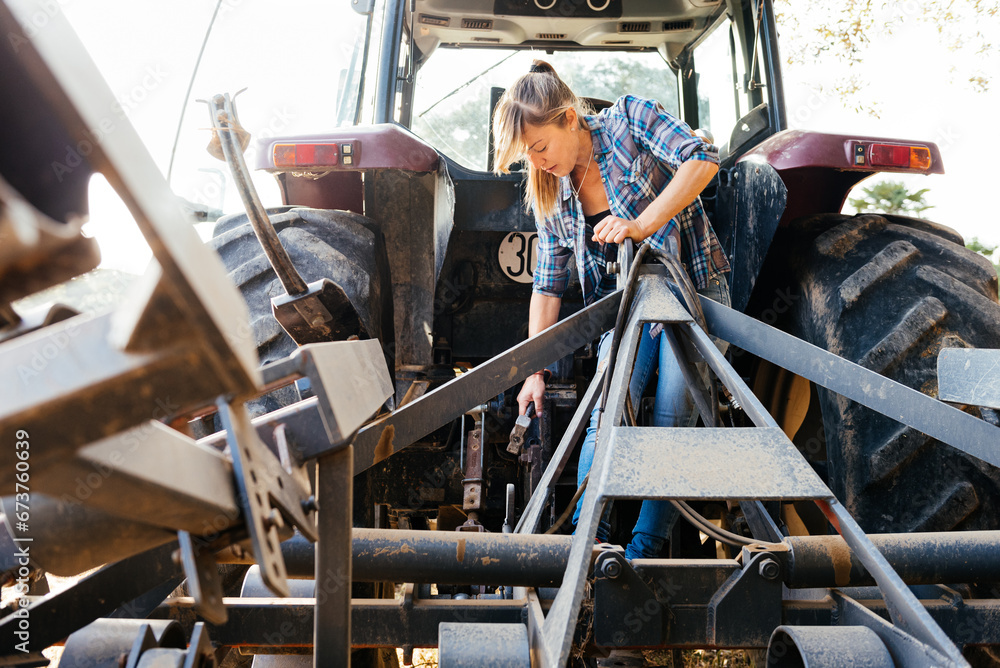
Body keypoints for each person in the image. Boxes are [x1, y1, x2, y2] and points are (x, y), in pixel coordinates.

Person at [491, 60, 732, 559]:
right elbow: (548, 286)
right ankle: (591, 543)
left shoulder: (629, 121)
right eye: (526, 154)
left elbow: (702, 159)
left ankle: (644, 554)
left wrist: (640, 225)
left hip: (693, 293)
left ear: (570, 119)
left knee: (672, 416)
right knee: (607, 407)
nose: (536, 162)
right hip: (627, 308)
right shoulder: (550, 191)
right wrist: (534, 371)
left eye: (540, 147)